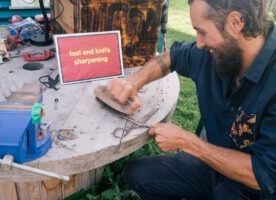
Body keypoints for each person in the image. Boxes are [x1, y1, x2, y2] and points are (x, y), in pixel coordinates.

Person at [107, 0, 276, 199]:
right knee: (138, 174)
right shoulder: (217, 53)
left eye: (202, 31)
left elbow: (265, 175)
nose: (199, 43)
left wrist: (190, 143)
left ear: (236, 23)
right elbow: (172, 57)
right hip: (214, 168)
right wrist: (134, 82)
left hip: (254, 192)